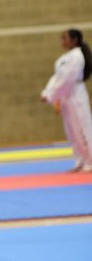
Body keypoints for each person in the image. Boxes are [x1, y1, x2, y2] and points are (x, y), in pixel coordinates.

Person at [41, 29, 92, 172]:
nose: (62, 41)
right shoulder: (65, 57)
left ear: (75, 40)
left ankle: (90, 160)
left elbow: (66, 79)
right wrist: (48, 92)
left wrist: (52, 95)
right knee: (72, 131)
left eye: (65, 38)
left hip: (75, 93)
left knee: (82, 128)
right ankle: (80, 160)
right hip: (65, 95)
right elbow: (57, 77)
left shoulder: (77, 56)